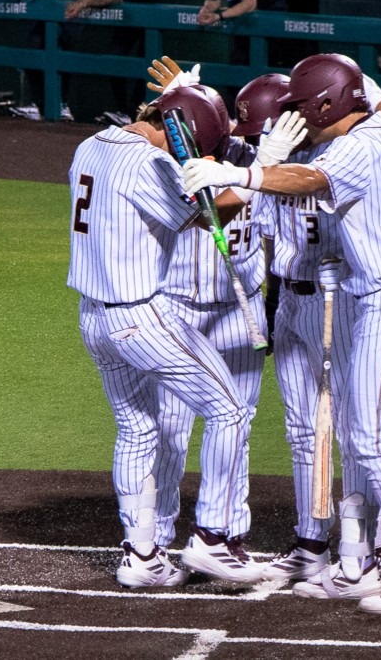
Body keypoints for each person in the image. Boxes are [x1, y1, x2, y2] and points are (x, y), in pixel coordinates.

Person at [182, 53, 381, 615]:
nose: (295, 117)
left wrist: (243, 172)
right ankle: (361, 563)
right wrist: (367, 87)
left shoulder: (352, 148)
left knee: (371, 441)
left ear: (329, 105)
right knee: (355, 437)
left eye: (303, 106)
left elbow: (311, 177)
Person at [67, 85, 263, 587]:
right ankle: (214, 537)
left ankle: (142, 556)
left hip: (93, 319)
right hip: (141, 320)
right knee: (229, 409)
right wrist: (259, 176)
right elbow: (207, 215)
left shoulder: (90, 145)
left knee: (136, 431)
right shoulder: (148, 164)